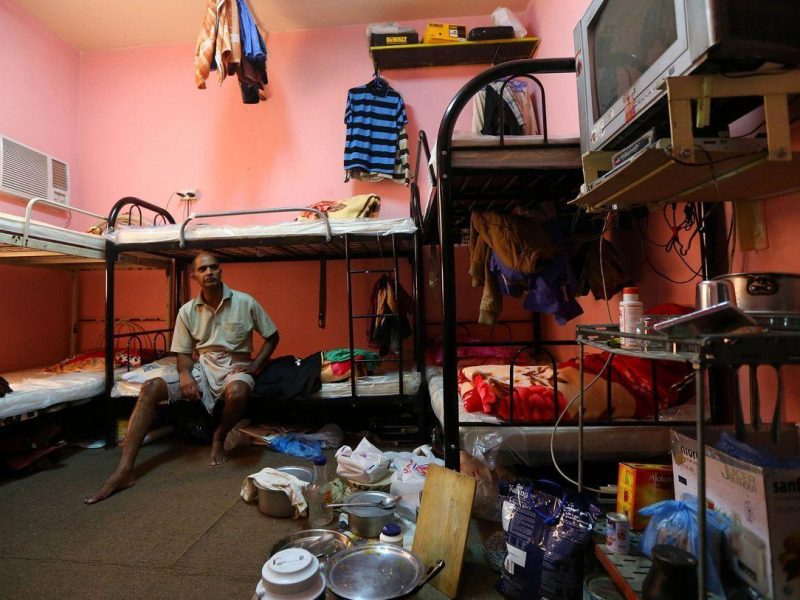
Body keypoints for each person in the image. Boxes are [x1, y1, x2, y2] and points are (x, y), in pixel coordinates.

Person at [85, 252, 279, 504]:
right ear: (194, 276)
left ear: (221, 271)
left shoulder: (245, 302)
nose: (209, 272)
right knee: (150, 387)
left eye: (214, 267)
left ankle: (219, 435)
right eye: (203, 269)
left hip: (235, 365)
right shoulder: (187, 311)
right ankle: (124, 471)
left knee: (239, 392)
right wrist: (185, 373)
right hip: (203, 365)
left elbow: (272, 336)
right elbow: (183, 353)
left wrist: (254, 366)